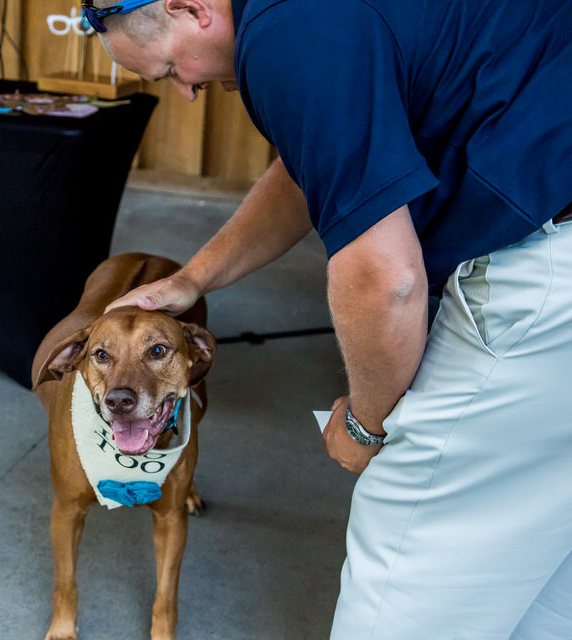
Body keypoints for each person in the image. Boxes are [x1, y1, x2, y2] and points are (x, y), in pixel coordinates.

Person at [85, 0, 572, 637]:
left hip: (545, 272)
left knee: (405, 584)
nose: (189, 92)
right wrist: (191, 279)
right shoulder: (311, 19)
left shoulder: (285, 33)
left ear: (189, 9)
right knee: (533, 567)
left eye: (172, 68)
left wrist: (369, 428)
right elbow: (312, 169)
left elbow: (383, 277)